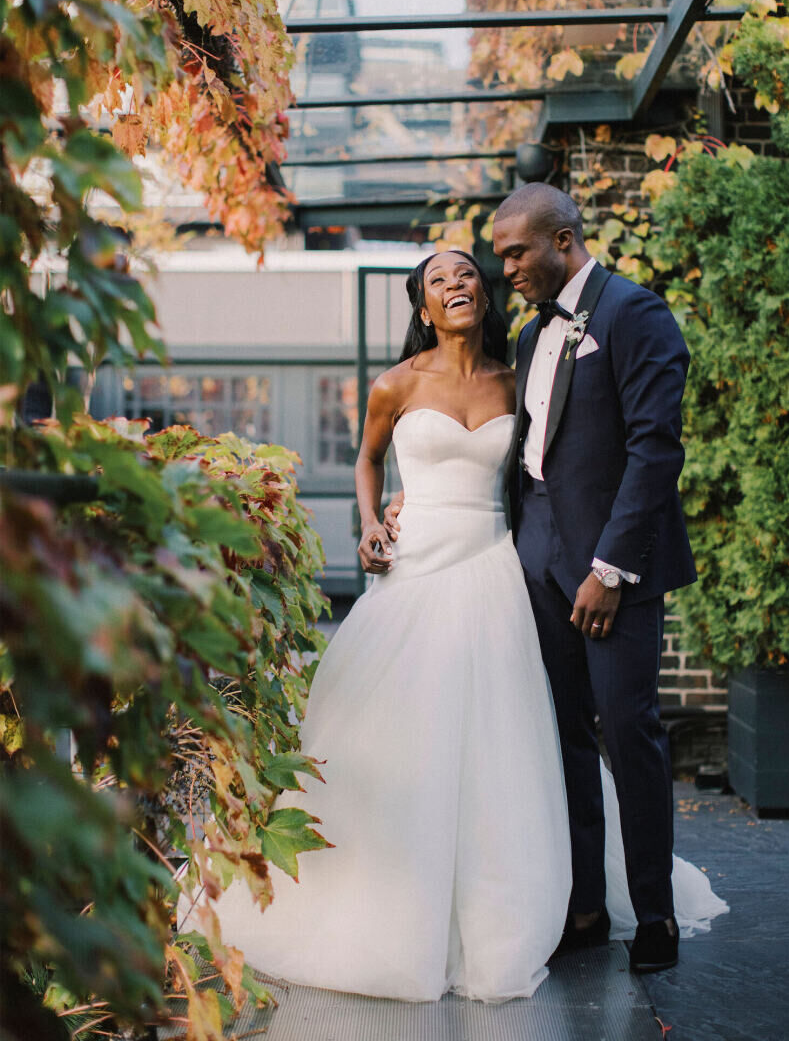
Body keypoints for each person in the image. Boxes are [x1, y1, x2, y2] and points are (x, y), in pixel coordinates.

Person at [182, 247, 725, 1001]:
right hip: (414, 572)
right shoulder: (394, 383)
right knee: (403, 735)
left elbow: (548, 469)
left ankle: (552, 902)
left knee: (512, 742)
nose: (456, 284)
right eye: (438, 280)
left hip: (499, 571)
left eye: (467, 272)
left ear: (484, 292)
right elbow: (369, 462)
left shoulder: (522, 369)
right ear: (422, 306)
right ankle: (395, 901)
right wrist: (374, 520)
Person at [491, 181, 698, 972]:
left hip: (610, 574)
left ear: (565, 239)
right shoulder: (527, 335)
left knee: (630, 732)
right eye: (502, 253)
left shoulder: (633, 313)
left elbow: (655, 449)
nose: (506, 266)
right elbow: (528, 455)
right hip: (537, 560)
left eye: (518, 251)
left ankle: (655, 917)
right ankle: (584, 904)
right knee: (564, 737)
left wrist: (610, 569)